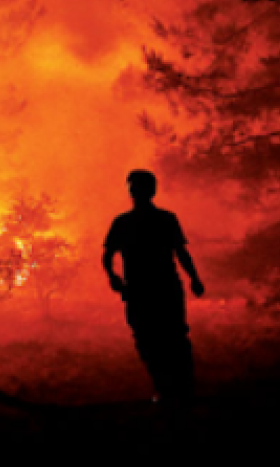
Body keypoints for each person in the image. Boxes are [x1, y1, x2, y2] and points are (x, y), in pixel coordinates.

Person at [103, 169, 205, 406]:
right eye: (134, 187)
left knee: (166, 338)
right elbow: (108, 255)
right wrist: (112, 276)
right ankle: (169, 387)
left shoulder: (157, 220)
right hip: (147, 289)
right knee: (154, 338)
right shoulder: (134, 222)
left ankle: (178, 388)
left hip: (158, 288)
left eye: (137, 187)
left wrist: (194, 278)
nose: (135, 191)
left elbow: (181, 252)